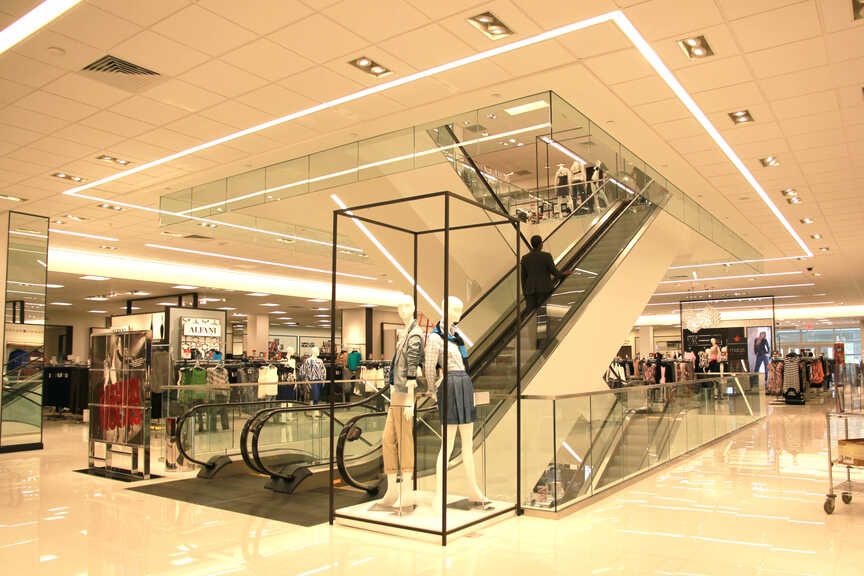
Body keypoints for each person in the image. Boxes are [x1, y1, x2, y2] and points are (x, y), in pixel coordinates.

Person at [520, 235, 570, 310]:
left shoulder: (525, 258)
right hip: (544, 288)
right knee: (543, 311)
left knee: (531, 313)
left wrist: (525, 292)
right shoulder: (546, 256)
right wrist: (565, 273)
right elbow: (555, 273)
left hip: (530, 290)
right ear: (541, 244)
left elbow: (523, 277)